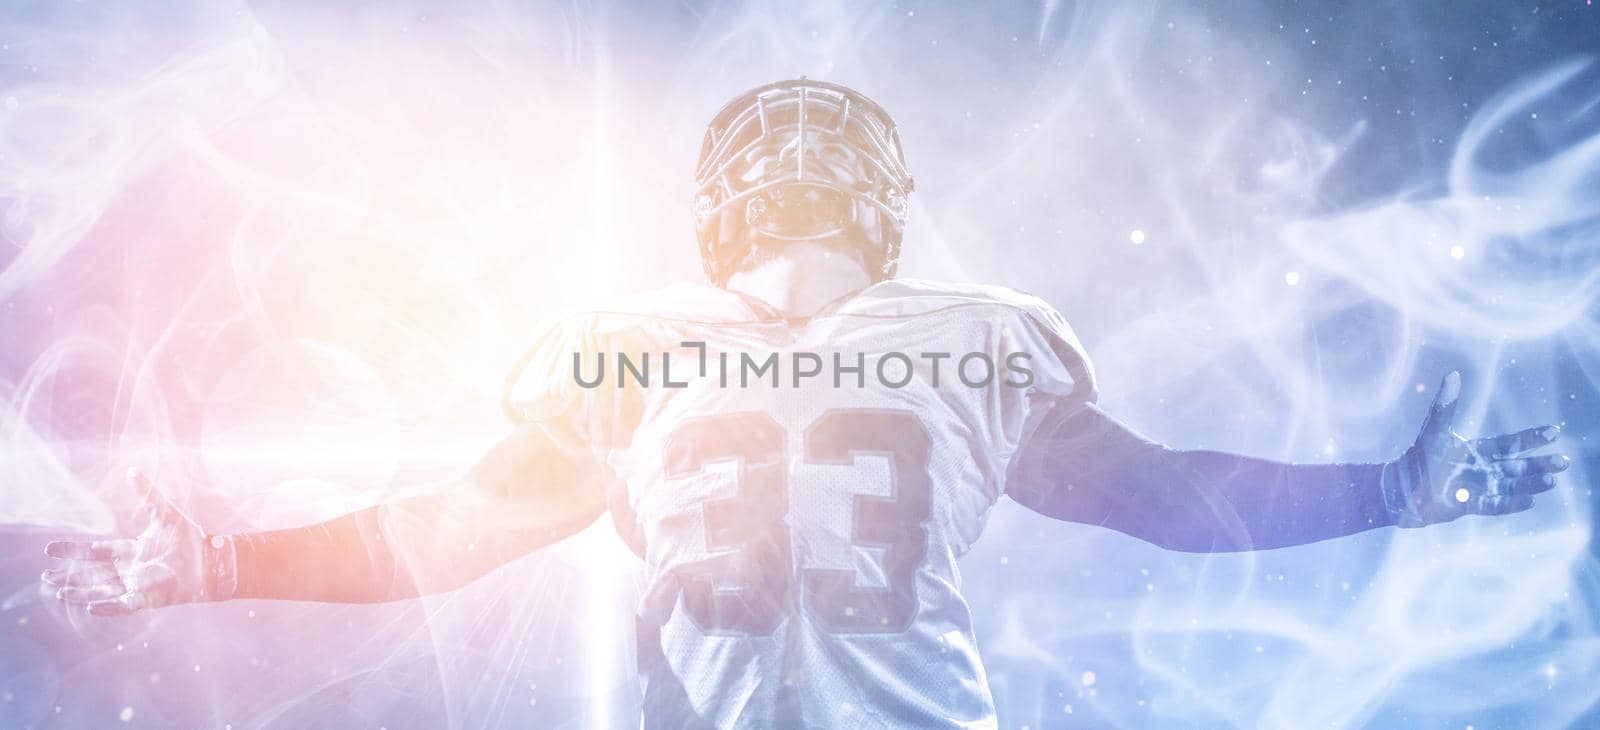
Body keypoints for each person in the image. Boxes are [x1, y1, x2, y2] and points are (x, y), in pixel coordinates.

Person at [42, 79, 1569, 729]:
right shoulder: (969, 339)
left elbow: (443, 537)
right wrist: (1383, 492)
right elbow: (1170, 502)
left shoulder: (634, 348)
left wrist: (217, 558)